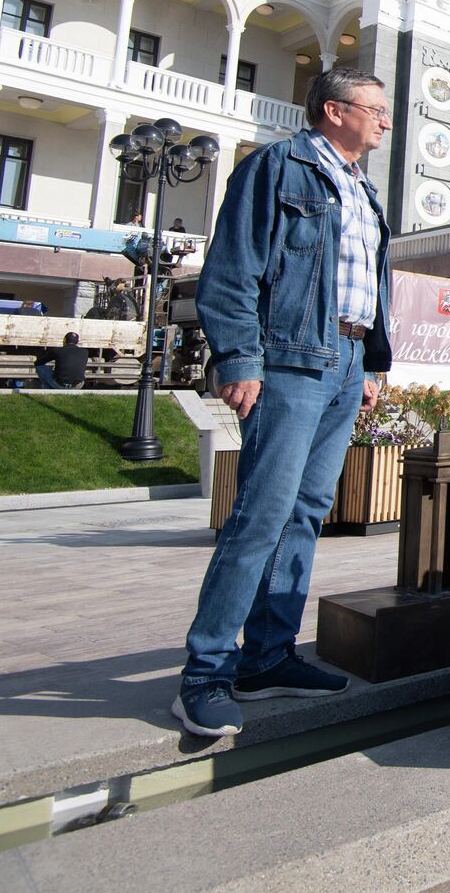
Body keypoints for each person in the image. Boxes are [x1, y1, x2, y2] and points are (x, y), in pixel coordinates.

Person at [173, 67, 392, 738]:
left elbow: (369, 281)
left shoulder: (362, 187)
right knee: (261, 515)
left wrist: (372, 363)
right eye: (375, 109)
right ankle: (205, 673)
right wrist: (239, 357)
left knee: (305, 515)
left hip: (346, 362)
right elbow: (234, 266)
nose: (385, 121)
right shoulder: (277, 166)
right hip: (292, 360)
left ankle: (267, 659)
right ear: (334, 109)